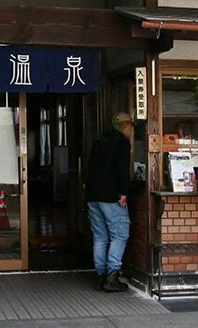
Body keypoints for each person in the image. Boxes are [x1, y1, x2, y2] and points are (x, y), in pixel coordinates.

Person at [85, 112, 134, 292]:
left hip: (93, 195)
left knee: (100, 237)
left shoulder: (100, 141)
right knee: (119, 235)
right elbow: (122, 169)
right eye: (131, 126)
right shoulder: (121, 142)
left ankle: (100, 275)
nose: (131, 130)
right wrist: (124, 192)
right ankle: (112, 276)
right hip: (111, 196)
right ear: (125, 125)